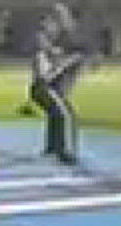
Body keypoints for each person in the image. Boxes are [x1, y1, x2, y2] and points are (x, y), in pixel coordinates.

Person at [29, 17, 85, 166]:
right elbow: (46, 77)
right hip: (43, 89)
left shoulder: (52, 51)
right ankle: (65, 152)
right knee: (65, 116)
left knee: (56, 116)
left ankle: (53, 148)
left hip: (47, 89)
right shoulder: (41, 55)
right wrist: (65, 65)